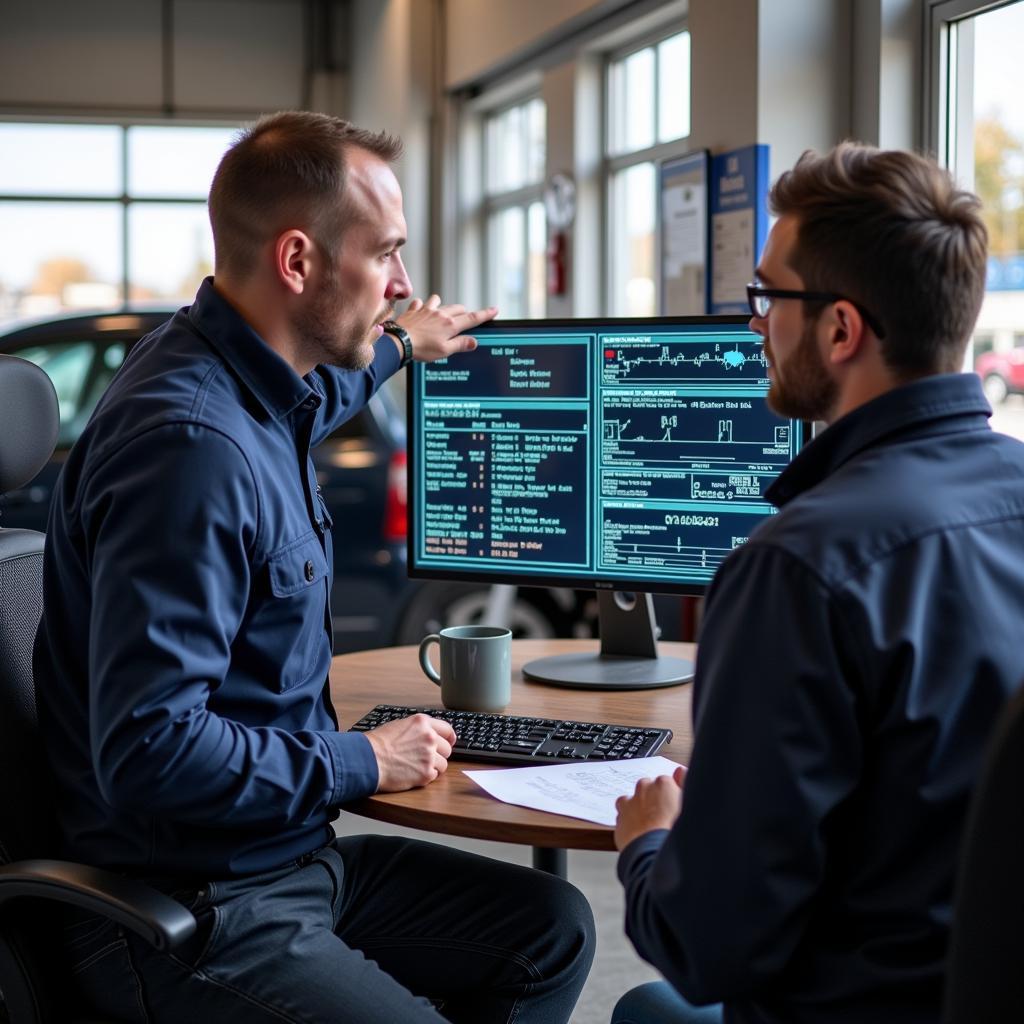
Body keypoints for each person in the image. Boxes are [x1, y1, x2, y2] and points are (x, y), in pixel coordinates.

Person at [33, 110, 594, 1023]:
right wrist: (362, 758)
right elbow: (150, 752)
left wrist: (405, 343)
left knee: (551, 927)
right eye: (388, 257)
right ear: (298, 263)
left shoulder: (231, 374)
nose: (404, 282)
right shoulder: (190, 449)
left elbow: (310, 400)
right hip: (190, 906)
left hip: (281, 861)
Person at [610, 142, 1024, 1024]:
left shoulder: (799, 568)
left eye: (768, 296)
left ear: (840, 330)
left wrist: (646, 845)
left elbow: (706, 947)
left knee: (650, 1008)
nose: (754, 323)